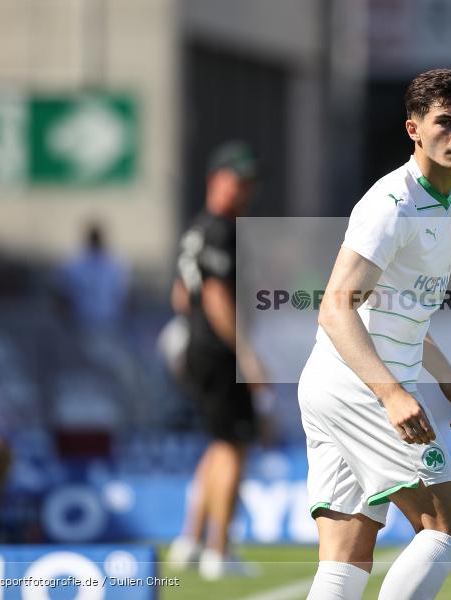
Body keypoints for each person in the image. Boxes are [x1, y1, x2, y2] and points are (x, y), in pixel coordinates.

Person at [298, 68, 451, 600]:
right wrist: (392, 392)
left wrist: (446, 375)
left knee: (346, 559)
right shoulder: (391, 204)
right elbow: (334, 307)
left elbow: (398, 308)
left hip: (336, 384)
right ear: (413, 129)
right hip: (362, 388)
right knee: (447, 530)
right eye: (445, 123)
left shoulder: (447, 201)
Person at [166, 141, 268, 580]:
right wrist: (246, 354)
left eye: (248, 183)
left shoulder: (197, 228)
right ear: (215, 180)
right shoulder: (222, 229)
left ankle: (191, 541)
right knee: (233, 445)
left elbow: (179, 294)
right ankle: (219, 550)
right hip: (219, 350)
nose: (243, 190)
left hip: (197, 345)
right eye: (236, 180)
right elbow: (214, 295)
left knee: (217, 443)